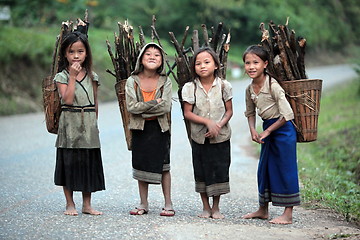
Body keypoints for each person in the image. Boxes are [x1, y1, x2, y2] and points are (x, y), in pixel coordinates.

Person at [242, 45, 300, 224]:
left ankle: (288, 214)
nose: (251, 67)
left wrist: (267, 130)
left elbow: (287, 114)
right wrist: (253, 129)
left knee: (285, 168)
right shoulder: (249, 89)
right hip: (269, 129)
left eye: (256, 62)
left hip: (283, 130)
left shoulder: (272, 85)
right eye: (247, 63)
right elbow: (250, 112)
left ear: (265, 64)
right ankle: (263, 209)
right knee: (264, 169)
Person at [54, 31, 105, 216]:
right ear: (65, 55)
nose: (76, 56)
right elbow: (67, 100)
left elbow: (95, 102)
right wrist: (73, 77)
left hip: (89, 124)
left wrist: (95, 125)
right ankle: (70, 204)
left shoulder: (93, 76)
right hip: (69, 125)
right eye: (71, 52)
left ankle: (87, 204)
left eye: (80, 51)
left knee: (88, 163)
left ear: (86, 53)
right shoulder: (61, 76)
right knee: (69, 163)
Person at [182, 47, 233, 219]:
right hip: (199, 138)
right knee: (201, 170)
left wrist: (218, 126)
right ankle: (205, 207)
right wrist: (207, 122)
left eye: (207, 62)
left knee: (219, 170)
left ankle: (216, 207)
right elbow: (187, 113)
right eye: (198, 63)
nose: (202, 66)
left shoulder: (224, 86)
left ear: (216, 65)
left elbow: (229, 111)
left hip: (221, 137)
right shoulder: (190, 88)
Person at [125, 42, 174, 217]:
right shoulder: (132, 81)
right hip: (140, 128)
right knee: (141, 165)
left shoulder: (165, 81)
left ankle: (168, 204)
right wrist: (154, 103)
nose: (152, 57)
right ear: (141, 58)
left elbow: (165, 107)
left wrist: (143, 109)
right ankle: (143, 203)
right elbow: (131, 107)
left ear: (161, 61)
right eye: (148, 54)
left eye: (157, 54)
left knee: (164, 166)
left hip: (160, 128)